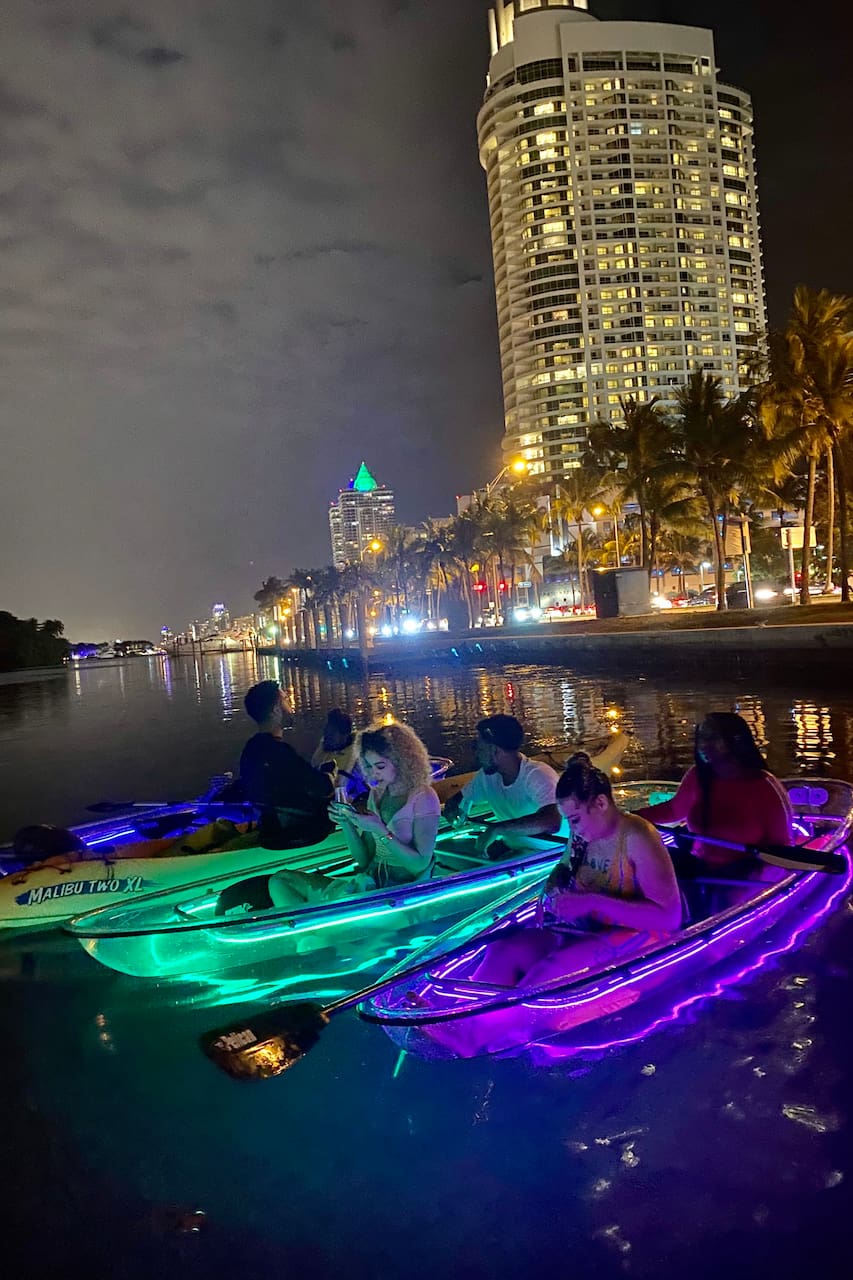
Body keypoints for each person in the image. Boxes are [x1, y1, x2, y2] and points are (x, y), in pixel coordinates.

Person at [424, 754, 682, 1057]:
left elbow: (670, 917)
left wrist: (590, 902)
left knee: (547, 973)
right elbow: (563, 867)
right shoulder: (584, 831)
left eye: (574, 819)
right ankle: (462, 1015)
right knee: (504, 949)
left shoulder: (637, 836)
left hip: (633, 932)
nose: (572, 827)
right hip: (584, 924)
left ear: (600, 803)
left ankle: (473, 1038)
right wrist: (549, 893)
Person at [268, 721, 440, 908]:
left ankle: (313, 931)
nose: (374, 774)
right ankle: (310, 932)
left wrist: (381, 831)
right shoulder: (378, 793)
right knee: (280, 881)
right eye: (369, 766)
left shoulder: (424, 797)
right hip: (367, 884)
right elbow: (364, 859)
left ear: (402, 761)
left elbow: (420, 865)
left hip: (397, 896)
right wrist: (346, 823)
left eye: (380, 766)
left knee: (316, 911)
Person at [633, 712, 793, 876]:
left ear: (735, 741)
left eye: (712, 737)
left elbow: (780, 848)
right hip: (698, 867)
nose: (703, 744)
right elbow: (673, 811)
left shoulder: (764, 786)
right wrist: (628, 817)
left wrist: (756, 880)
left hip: (745, 875)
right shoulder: (698, 776)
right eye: (701, 737)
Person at [442, 714, 560, 856]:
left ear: (495, 750)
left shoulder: (538, 775)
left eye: (479, 748)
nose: (477, 754)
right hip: (514, 847)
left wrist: (497, 829)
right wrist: (453, 808)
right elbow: (459, 798)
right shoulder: (486, 777)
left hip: (547, 853)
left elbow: (552, 821)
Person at [239, 680, 334, 850]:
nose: (290, 706)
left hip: (271, 826)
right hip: (302, 833)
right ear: (276, 710)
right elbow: (322, 787)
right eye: (285, 700)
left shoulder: (251, 749)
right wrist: (330, 777)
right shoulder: (280, 753)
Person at [311, 708, 367, 804]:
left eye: (331, 734)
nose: (327, 738)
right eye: (326, 733)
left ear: (345, 735)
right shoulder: (322, 755)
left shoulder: (359, 760)